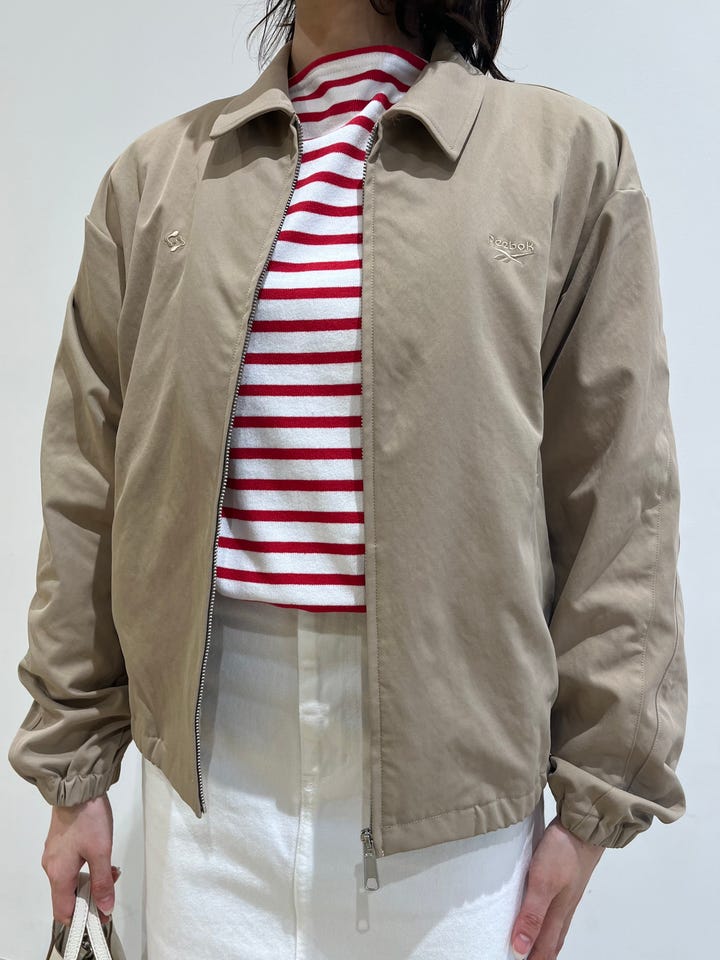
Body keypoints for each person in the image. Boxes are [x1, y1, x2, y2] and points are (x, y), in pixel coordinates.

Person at [8, 1, 688, 958]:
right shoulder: (159, 178)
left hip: (453, 809)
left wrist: (596, 800)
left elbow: (621, 499)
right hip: (210, 788)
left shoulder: (565, 159)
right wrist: (72, 770)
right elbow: (89, 484)